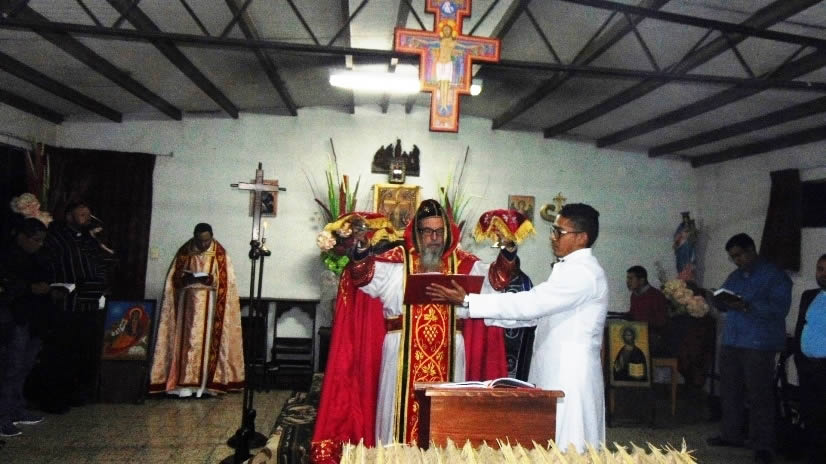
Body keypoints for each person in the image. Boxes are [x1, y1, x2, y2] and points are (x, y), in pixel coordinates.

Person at [311, 200, 510, 461]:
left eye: (439, 231)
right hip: (401, 355)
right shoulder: (396, 262)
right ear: (416, 232)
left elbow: (496, 281)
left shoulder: (464, 264)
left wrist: (508, 251)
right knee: (396, 420)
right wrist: (360, 249)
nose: (434, 238)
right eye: (427, 231)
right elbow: (363, 276)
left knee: (446, 422)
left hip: (450, 353)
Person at [427, 203, 608, 453]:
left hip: (570, 373)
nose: (552, 237)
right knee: (549, 438)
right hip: (556, 367)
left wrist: (470, 301)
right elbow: (533, 316)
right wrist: (471, 308)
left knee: (569, 442)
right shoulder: (570, 269)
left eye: (559, 232)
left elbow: (532, 304)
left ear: (581, 238)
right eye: (553, 230)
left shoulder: (583, 273)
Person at [706, 233, 791, 464]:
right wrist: (715, 299)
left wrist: (747, 305)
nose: (736, 261)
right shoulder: (735, 276)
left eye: (739, 255)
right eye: (733, 257)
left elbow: (779, 309)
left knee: (759, 395)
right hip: (732, 340)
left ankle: (763, 445)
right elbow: (725, 302)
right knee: (730, 391)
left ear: (752, 249)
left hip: (758, 343)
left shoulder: (775, 275)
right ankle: (731, 434)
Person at [149, 223, 244, 397]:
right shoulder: (185, 252)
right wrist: (184, 279)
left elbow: (227, 282)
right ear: (194, 237)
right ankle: (182, 385)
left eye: (206, 241)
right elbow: (174, 279)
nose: (203, 244)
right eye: (200, 241)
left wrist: (210, 280)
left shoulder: (220, 253)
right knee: (186, 343)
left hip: (211, 306)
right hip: (187, 306)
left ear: (212, 236)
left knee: (207, 343)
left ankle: (206, 385)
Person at [39, 201, 109, 410]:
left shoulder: (89, 239)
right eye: (82, 215)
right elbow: (51, 265)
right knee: (62, 352)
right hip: (67, 305)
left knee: (83, 351)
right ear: (69, 216)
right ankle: (54, 398)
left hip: (89, 305)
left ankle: (77, 393)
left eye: (89, 214)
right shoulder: (56, 238)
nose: (87, 219)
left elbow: (100, 263)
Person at [0, 216, 51, 437]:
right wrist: (29, 288)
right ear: (21, 237)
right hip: (13, 319)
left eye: (42, 240)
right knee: (10, 368)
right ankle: (2, 417)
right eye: (35, 240)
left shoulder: (38, 257)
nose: (39, 244)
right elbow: (7, 287)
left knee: (24, 367)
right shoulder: (7, 256)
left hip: (34, 319)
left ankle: (16, 409)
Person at [792, 254, 826, 464]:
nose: (823, 274)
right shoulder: (809, 295)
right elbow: (800, 327)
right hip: (807, 367)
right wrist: (800, 358)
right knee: (811, 416)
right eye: (820, 269)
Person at [626, 265, 669, 355]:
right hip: (639, 334)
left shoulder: (656, 295)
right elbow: (633, 315)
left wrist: (642, 323)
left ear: (642, 280)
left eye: (631, 278)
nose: (627, 281)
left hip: (654, 337)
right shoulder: (634, 295)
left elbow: (662, 322)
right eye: (627, 278)